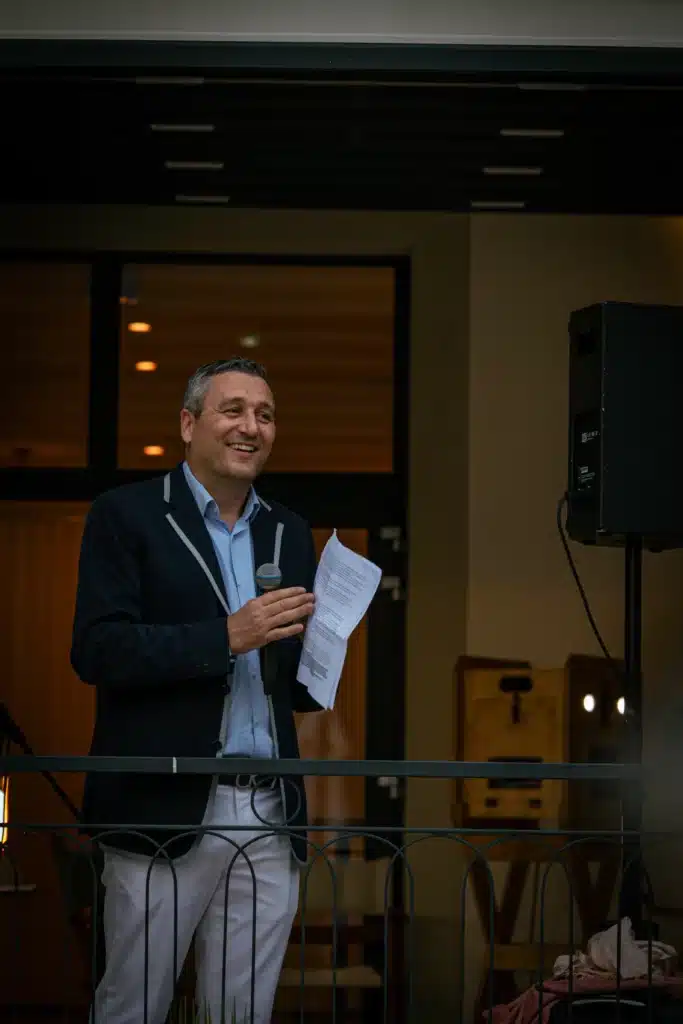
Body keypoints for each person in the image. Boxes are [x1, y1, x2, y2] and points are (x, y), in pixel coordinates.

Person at [71, 357, 322, 1024]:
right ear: (188, 424)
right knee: (133, 1007)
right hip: (164, 805)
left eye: (265, 415)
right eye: (233, 410)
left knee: (242, 1012)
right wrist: (224, 637)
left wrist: (322, 658)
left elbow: (286, 686)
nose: (251, 427)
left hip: (268, 811)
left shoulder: (288, 531)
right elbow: (98, 649)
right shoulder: (125, 515)